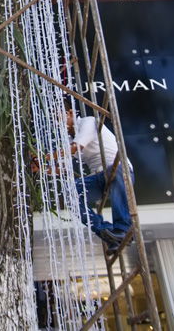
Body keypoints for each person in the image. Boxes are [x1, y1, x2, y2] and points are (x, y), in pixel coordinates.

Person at [62, 100, 134, 251]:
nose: (56, 124)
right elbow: (62, 166)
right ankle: (106, 231)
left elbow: (75, 149)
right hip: (98, 178)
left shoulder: (88, 122)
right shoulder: (69, 139)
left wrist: (44, 158)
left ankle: (123, 229)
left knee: (117, 169)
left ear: (69, 114)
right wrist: (42, 168)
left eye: (57, 118)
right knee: (71, 192)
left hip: (118, 169)